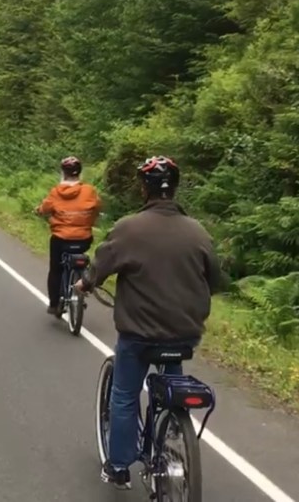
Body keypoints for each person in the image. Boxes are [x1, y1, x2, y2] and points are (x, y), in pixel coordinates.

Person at [73, 155, 224, 490]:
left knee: (125, 396)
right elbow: (215, 279)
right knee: (172, 385)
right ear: (176, 188)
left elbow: (99, 268)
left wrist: (84, 284)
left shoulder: (129, 228)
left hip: (139, 334)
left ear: (144, 188)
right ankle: (172, 435)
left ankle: (118, 467)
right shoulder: (198, 232)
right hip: (184, 334)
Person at [35, 156, 102, 316]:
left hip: (61, 239)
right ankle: (81, 279)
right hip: (83, 239)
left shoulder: (56, 192)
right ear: (80, 172)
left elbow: (44, 208)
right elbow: (97, 208)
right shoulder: (89, 191)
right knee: (82, 258)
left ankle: (53, 304)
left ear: (63, 173)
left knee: (56, 270)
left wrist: (38, 211)